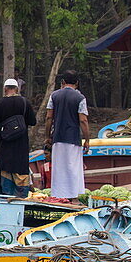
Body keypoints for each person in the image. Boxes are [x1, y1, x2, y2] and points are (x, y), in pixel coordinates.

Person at [45, 70, 90, 202]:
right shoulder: (80, 98)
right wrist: (87, 139)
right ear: (77, 83)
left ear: (62, 82)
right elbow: (83, 120)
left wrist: (47, 136)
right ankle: (73, 197)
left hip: (57, 138)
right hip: (73, 138)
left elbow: (49, 117)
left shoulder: (54, 96)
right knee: (73, 167)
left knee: (59, 168)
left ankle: (59, 196)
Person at [0, 79, 37, 197]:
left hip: (5, 142)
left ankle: (6, 193)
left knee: (5, 166)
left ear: (5, 88)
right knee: (20, 167)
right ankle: (21, 195)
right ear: (17, 89)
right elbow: (32, 121)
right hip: (21, 143)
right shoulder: (25, 102)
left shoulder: (0, 103)